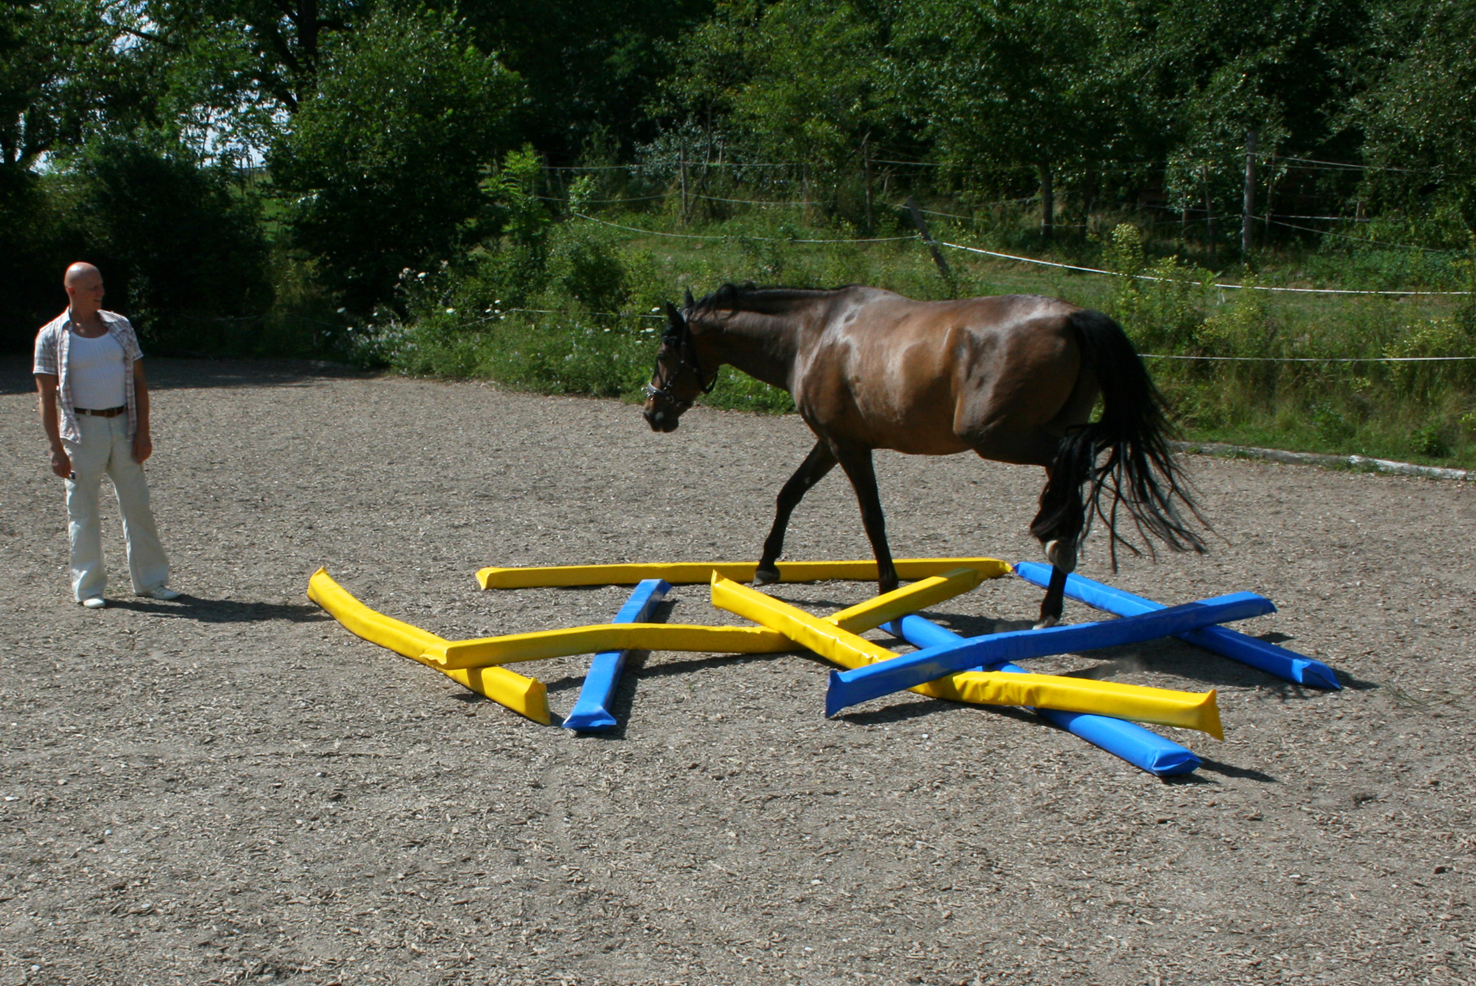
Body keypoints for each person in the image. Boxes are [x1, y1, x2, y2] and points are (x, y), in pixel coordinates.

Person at [33, 262, 178, 608]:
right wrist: (56, 448)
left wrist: (143, 430)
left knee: (137, 505)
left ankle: (151, 581)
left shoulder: (120, 327)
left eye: (100, 286)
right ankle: (89, 589)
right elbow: (45, 397)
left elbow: (140, 382)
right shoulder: (51, 335)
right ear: (72, 291)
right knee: (82, 510)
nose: (100, 292)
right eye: (92, 287)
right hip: (81, 431)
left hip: (123, 425)